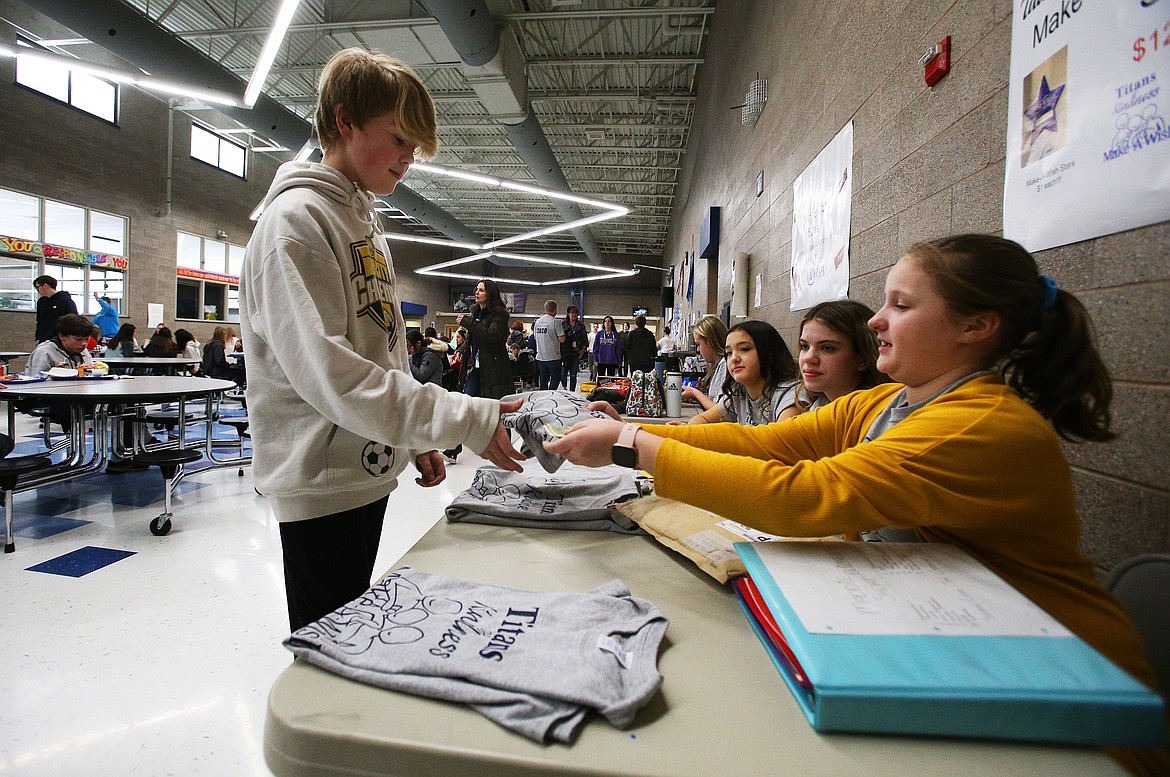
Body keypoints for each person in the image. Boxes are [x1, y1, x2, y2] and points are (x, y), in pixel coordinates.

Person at [546, 234, 1167, 773]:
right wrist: (636, 432)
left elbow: (806, 496)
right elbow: (764, 443)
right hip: (963, 645)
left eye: (901, 305)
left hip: (1068, 705)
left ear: (976, 327)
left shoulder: (979, 424)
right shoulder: (882, 403)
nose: (876, 320)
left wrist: (633, 446)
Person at [238, 47, 525, 632]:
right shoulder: (295, 225)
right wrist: (462, 418)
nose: (410, 158)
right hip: (321, 480)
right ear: (345, 122)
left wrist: (414, 431)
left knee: (353, 632)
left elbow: (384, 351)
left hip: (363, 467)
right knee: (329, 647)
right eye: (398, 138)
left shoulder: (364, 222)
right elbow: (331, 374)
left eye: (415, 146)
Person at [777, 299, 889, 420]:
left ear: (863, 359)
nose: (809, 358)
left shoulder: (878, 416)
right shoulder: (820, 403)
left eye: (827, 348)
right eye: (805, 346)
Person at [686, 319, 798, 426]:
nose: (734, 358)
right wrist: (685, 431)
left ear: (768, 352)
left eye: (744, 349)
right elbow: (702, 419)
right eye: (729, 353)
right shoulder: (739, 393)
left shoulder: (789, 396)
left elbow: (778, 441)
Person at [456, 278, 512, 400]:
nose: (476, 292)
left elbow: (491, 335)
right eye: (476, 289)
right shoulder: (475, 312)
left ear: (490, 294)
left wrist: (469, 323)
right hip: (477, 367)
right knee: (467, 400)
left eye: (481, 290)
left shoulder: (499, 314)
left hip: (494, 369)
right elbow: (473, 336)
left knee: (490, 403)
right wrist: (462, 349)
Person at [681, 315, 729, 413]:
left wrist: (696, 393)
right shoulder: (719, 365)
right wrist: (701, 394)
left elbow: (720, 411)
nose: (698, 350)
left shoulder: (726, 365)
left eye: (698, 344)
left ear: (711, 341)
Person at [33, 275, 78, 342]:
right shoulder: (41, 302)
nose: (37, 290)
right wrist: (38, 337)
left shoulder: (65, 300)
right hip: (43, 338)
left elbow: (73, 320)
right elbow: (39, 321)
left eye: (37, 287)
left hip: (60, 338)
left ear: (45, 286)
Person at [533, 299, 565, 390]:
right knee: (555, 378)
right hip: (553, 357)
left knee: (543, 380)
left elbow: (535, 338)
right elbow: (562, 339)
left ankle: (543, 397)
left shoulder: (537, 322)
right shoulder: (556, 322)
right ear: (555, 309)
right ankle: (550, 395)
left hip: (541, 357)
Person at [560, 305, 588, 392]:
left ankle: (572, 392)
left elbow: (585, 339)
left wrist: (583, 350)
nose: (574, 314)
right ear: (568, 313)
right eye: (572, 312)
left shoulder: (581, 325)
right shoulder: (563, 324)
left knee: (573, 374)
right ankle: (564, 388)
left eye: (576, 313)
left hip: (576, 353)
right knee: (563, 373)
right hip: (564, 352)